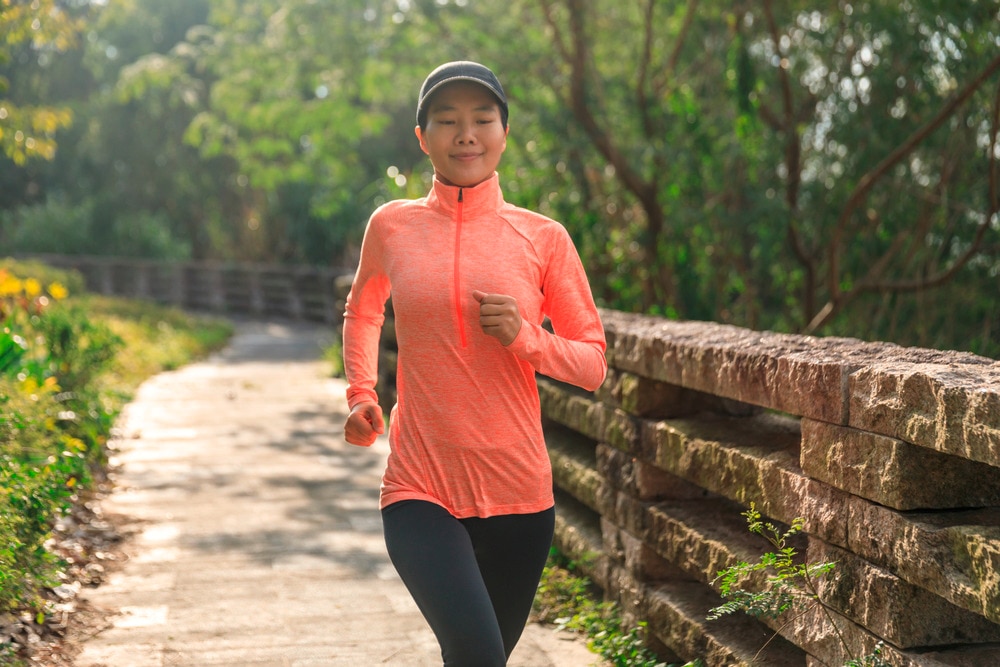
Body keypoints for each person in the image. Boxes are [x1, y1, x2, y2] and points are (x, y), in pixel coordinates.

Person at [342, 60, 607, 667]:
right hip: (420, 485)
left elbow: (592, 365)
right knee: (477, 651)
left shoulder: (544, 238)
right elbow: (364, 309)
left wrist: (525, 338)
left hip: (520, 497)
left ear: (503, 132)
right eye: (448, 120)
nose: (467, 134)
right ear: (422, 137)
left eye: (482, 119)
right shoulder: (392, 226)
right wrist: (361, 394)